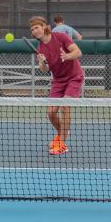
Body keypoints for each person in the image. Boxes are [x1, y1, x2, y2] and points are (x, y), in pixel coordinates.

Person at [31, 16, 84, 155]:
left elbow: (78, 52)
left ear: (44, 26)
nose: (34, 31)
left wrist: (68, 56)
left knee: (65, 106)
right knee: (51, 112)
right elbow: (44, 69)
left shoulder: (60, 37)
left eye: (36, 27)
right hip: (58, 81)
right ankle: (62, 134)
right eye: (32, 29)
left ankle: (61, 143)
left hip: (74, 77)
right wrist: (42, 62)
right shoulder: (41, 48)